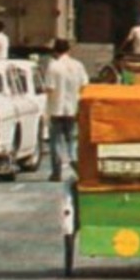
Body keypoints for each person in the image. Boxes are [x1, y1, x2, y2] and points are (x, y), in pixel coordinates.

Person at [43, 38, 90, 182]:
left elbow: (50, 88)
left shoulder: (53, 66)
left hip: (56, 109)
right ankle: (75, 162)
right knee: (72, 140)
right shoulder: (78, 65)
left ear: (55, 51)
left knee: (56, 141)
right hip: (73, 108)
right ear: (68, 50)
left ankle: (56, 173)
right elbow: (84, 85)